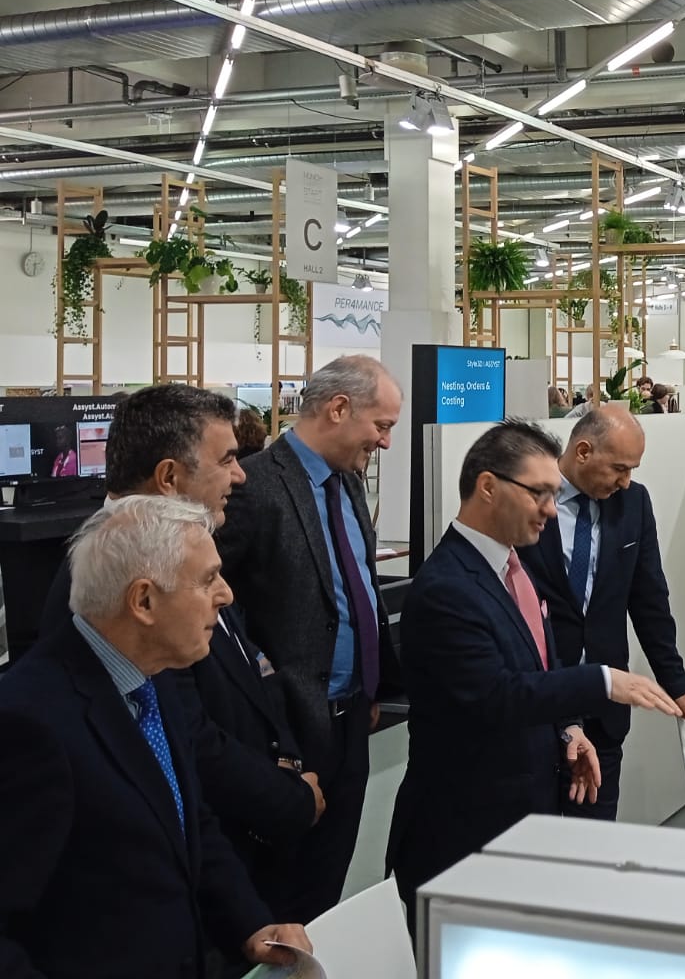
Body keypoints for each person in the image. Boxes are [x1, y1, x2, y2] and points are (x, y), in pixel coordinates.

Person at [37, 385, 320, 932]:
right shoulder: (103, 587)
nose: (240, 476)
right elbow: (184, 745)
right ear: (169, 477)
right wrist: (286, 799)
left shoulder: (184, 555)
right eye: (227, 459)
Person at [0, 496, 313, 977]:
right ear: (143, 601)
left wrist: (251, 924)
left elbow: (188, 822)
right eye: (207, 579)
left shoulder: (153, 677)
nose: (226, 595)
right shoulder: (30, 723)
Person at [387, 421, 681, 924]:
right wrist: (604, 681)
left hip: (518, 819)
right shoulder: (447, 588)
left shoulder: (509, 570)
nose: (550, 508)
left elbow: (538, 665)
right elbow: (495, 695)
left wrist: (568, 730)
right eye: (539, 493)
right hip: (464, 836)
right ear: (488, 486)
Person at [214, 355, 404, 922]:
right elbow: (217, 606)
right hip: (288, 730)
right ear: (339, 408)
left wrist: (370, 683)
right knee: (282, 895)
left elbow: (354, 584)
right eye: (382, 425)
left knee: (327, 885)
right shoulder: (255, 486)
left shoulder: (348, 482)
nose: (386, 442)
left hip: (353, 718)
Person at [516, 405, 685, 821]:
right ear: (583, 452)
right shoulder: (529, 499)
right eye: (619, 468)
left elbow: (650, 601)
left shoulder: (633, 504)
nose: (626, 480)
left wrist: (676, 682)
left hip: (604, 710)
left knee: (594, 841)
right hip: (538, 703)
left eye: (632, 469)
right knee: (536, 842)